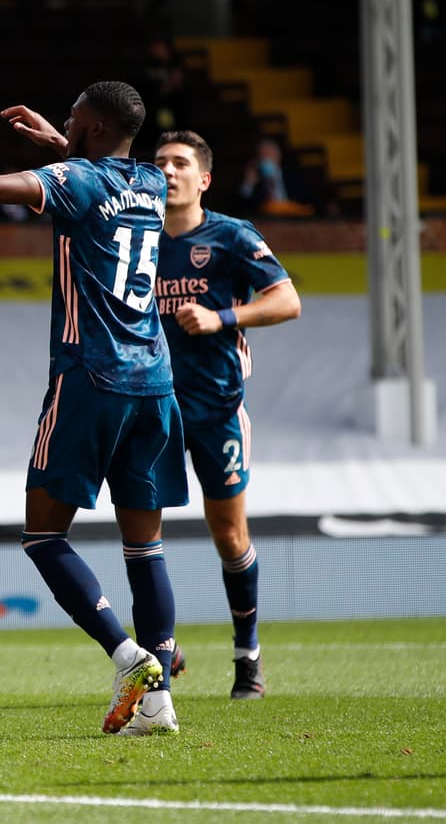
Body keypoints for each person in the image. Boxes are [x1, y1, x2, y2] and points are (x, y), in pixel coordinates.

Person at [0, 81, 187, 736]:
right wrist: (60, 146)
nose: (63, 124)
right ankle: (158, 704)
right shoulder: (151, 182)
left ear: (92, 127)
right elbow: (95, 171)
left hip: (88, 378)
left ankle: (128, 656)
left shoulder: (78, 179)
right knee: (144, 545)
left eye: (73, 118)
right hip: (154, 381)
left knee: (43, 534)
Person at [153, 130, 301, 700]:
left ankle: (248, 658)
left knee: (228, 531)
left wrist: (222, 318)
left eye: (181, 163)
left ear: (204, 178)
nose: (168, 171)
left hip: (217, 407)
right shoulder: (138, 238)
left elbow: (287, 300)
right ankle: (162, 647)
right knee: (143, 530)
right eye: (160, 161)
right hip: (153, 407)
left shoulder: (231, 236)